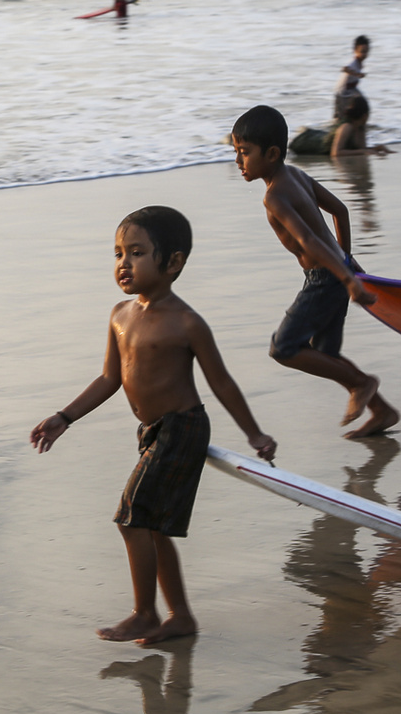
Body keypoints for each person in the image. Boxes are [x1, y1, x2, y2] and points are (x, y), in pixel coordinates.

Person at [30, 206, 277, 645]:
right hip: (152, 432)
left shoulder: (187, 323)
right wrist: (64, 417)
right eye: (118, 253)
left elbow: (220, 382)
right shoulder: (120, 315)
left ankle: (145, 612)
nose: (123, 264)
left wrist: (253, 433)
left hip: (182, 428)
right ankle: (180, 617)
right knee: (153, 527)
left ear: (174, 262)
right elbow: (110, 378)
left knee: (133, 518)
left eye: (137, 253)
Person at [231, 105, 400, 438]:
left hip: (325, 279)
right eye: (236, 152)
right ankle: (382, 410)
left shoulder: (274, 195)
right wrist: (346, 260)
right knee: (325, 354)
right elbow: (340, 210)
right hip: (335, 272)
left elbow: (307, 239)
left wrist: (347, 278)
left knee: (284, 347)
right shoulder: (295, 174)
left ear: (272, 153)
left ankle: (362, 383)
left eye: (244, 153)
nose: (238, 161)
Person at [329, 94, 394, 159]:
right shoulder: (346, 127)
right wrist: (363, 151)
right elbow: (335, 153)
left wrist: (377, 148)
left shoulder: (361, 127)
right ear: (365, 116)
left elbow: (362, 149)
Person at [334, 35, 370, 120]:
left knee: (363, 106)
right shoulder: (353, 62)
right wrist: (357, 74)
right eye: (362, 52)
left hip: (352, 90)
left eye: (366, 52)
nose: (364, 55)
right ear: (355, 51)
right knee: (341, 118)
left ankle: (358, 124)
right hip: (342, 93)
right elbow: (345, 68)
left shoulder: (359, 63)